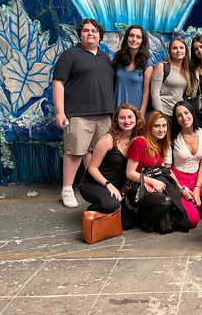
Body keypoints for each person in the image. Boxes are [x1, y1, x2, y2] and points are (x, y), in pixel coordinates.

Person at [53, 18, 115, 208]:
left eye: (94, 31)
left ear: (100, 35)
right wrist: (59, 112)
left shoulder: (105, 58)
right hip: (79, 114)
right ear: (80, 34)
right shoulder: (69, 55)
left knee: (96, 153)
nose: (90, 34)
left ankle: (92, 186)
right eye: (86, 30)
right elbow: (58, 83)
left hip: (104, 114)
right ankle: (67, 189)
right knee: (75, 153)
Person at [79, 104, 143, 229]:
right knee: (111, 205)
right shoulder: (108, 139)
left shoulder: (137, 140)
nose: (127, 121)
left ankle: (107, 208)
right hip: (93, 183)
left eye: (130, 117)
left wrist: (123, 189)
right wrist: (108, 185)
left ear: (136, 118)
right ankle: (92, 210)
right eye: (122, 118)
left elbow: (131, 170)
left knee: (127, 224)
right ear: (116, 121)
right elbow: (92, 168)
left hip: (116, 187)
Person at [125, 111, 188, 233]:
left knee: (174, 198)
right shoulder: (139, 142)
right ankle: (143, 219)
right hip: (138, 188)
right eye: (157, 126)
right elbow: (130, 173)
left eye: (164, 126)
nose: (161, 129)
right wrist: (153, 182)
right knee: (166, 201)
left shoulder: (159, 142)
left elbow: (165, 170)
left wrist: (181, 188)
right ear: (149, 126)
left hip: (155, 184)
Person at [165, 101, 202, 229]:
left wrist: (197, 188)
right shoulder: (172, 138)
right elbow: (167, 168)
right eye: (179, 115)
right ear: (176, 119)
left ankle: (187, 208)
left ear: (192, 113)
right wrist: (181, 189)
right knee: (193, 221)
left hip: (197, 178)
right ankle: (182, 209)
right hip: (178, 179)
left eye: (186, 113)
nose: (184, 117)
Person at [113, 25, 154, 116]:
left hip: (136, 109)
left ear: (142, 41)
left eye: (138, 37)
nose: (134, 39)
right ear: (127, 37)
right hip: (118, 107)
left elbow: (146, 91)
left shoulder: (147, 63)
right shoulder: (118, 57)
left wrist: (141, 113)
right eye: (131, 36)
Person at [150, 37, 194, 117]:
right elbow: (154, 92)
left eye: (181, 48)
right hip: (164, 112)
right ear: (170, 51)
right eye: (174, 48)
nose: (178, 51)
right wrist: (160, 115)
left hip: (178, 114)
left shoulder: (187, 70)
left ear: (186, 51)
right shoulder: (162, 66)